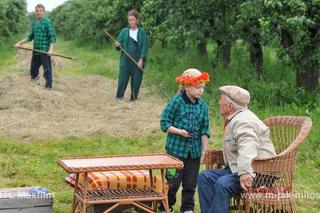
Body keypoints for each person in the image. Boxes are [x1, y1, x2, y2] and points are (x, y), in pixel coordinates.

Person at [197, 85, 276, 213]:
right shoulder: (236, 118)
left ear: (230, 106)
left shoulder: (243, 120)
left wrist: (244, 171)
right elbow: (235, 146)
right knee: (204, 177)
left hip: (260, 171)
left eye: (221, 99)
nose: (218, 102)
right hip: (239, 168)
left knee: (223, 184)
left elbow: (248, 145)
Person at [160, 68, 211, 213]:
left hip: (193, 152)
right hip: (175, 151)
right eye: (198, 87)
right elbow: (164, 123)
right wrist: (179, 132)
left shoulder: (203, 106)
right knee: (173, 181)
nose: (201, 91)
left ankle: (187, 208)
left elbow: (204, 130)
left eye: (203, 88)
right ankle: (166, 205)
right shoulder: (176, 101)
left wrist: (204, 151)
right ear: (187, 86)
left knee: (190, 183)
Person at [14, 3, 56, 89]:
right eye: (37, 11)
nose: (39, 12)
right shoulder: (35, 24)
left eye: (41, 11)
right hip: (36, 51)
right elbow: (30, 37)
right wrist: (19, 43)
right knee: (33, 71)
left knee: (47, 70)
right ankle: (34, 86)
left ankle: (48, 87)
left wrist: (51, 50)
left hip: (44, 51)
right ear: (35, 12)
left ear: (43, 12)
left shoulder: (48, 22)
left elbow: (52, 37)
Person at [114, 9, 148, 101]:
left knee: (136, 81)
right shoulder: (124, 31)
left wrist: (141, 59)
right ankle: (119, 97)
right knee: (122, 80)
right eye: (129, 20)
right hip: (125, 60)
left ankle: (133, 99)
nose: (131, 22)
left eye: (133, 19)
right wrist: (117, 45)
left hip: (137, 61)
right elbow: (117, 44)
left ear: (137, 20)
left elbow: (145, 47)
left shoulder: (142, 32)